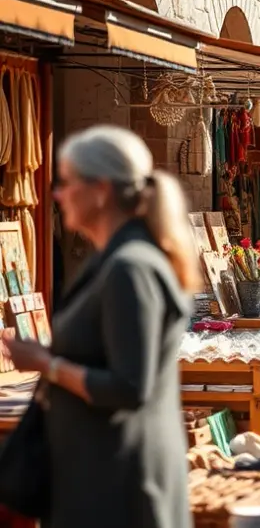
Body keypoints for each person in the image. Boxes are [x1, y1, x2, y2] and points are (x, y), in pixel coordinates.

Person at [0, 125, 197, 528]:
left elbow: (129, 386)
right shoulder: (113, 261)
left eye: (66, 182)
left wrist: (45, 363)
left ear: (101, 190)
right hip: (100, 479)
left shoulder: (130, 268)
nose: (57, 195)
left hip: (117, 491)